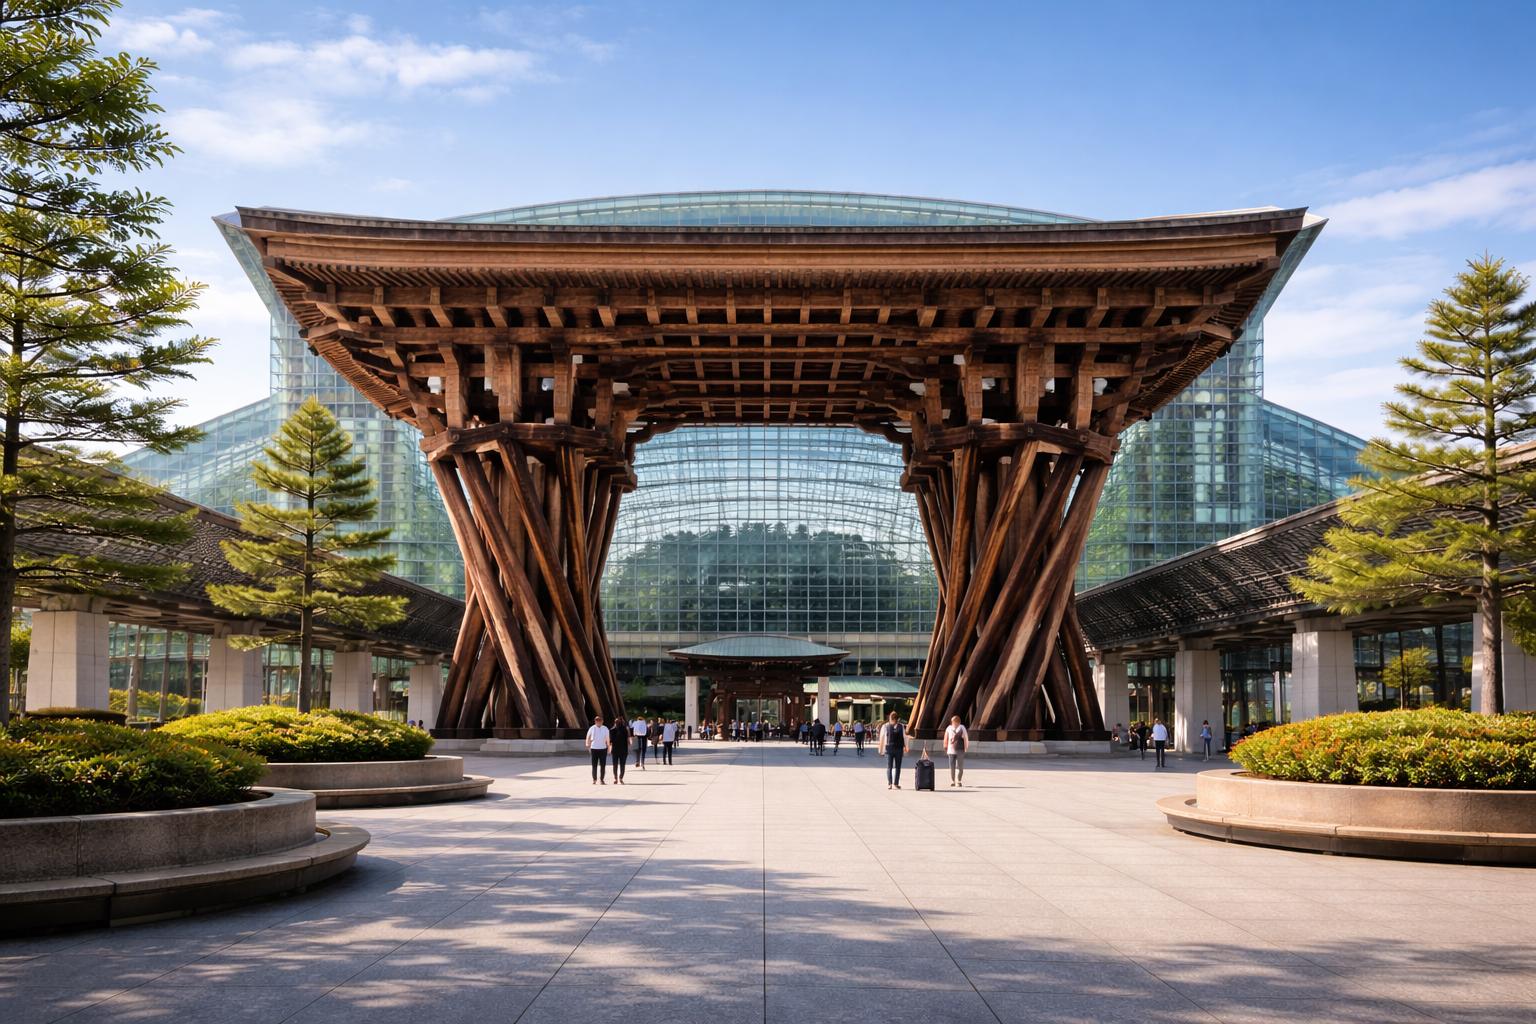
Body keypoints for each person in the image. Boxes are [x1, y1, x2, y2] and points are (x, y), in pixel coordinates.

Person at [879, 711, 909, 789]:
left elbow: (882, 737)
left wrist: (880, 748)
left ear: (889, 717)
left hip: (888, 748)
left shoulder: (885, 726)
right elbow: (904, 737)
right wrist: (906, 747)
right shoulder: (902, 726)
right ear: (897, 718)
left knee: (889, 766)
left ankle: (890, 783)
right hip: (899, 748)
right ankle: (896, 783)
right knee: (898, 767)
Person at [586, 715, 611, 785]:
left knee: (603, 765)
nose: (600, 722)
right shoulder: (592, 728)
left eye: (601, 721)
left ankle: (602, 779)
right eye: (598, 721)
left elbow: (607, 738)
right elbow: (588, 737)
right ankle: (594, 779)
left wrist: (608, 747)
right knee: (594, 765)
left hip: (603, 748)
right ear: (595, 721)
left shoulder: (605, 728)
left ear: (602, 721)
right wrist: (588, 745)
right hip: (594, 748)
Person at [944, 715, 968, 787]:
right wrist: (945, 746)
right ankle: (953, 780)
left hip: (960, 749)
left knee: (959, 766)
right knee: (952, 766)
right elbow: (946, 738)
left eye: (956, 721)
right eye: (954, 721)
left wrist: (966, 747)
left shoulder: (962, 728)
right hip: (952, 749)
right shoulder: (949, 728)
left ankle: (958, 780)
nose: (955, 723)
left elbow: (965, 737)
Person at [609, 714, 630, 785]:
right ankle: (621, 777)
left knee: (615, 764)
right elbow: (628, 740)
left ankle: (615, 777)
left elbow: (611, 741)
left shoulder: (612, 730)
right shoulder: (625, 730)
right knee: (622, 764)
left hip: (615, 749)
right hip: (624, 749)